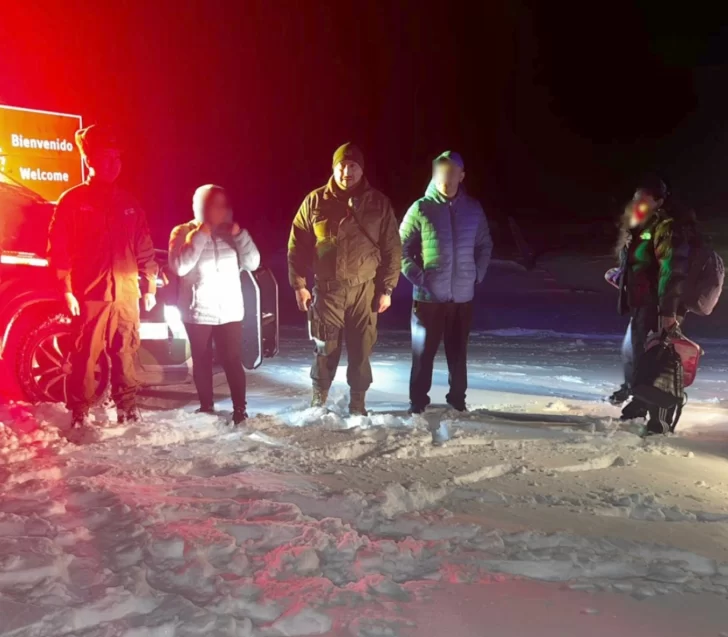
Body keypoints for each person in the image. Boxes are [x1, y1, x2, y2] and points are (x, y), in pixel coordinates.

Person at [47, 125, 158, 439]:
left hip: (126, 294)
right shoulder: (73, 200)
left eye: (116, 158)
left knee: (126, 351)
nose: (113, 163)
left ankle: (128, 408)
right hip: (91, 293)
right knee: (85, 355)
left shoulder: (129, 203)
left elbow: (145, 246)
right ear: (89, 160)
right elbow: (60, 248)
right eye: (105, 157)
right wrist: (65, 289)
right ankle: (80, 412)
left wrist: (149, 285)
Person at [288, 143, 402, 415]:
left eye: (352, 166)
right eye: (341, 165)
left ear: (361, 170)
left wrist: (387, 288)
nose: (346, 171)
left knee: (361, 350)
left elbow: (392, 248)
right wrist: (299, 284)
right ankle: (319, 401)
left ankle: (358, 405)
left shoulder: (378, 203)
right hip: (327, 291)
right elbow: (297, 245)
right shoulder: (315, 201)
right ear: (333, 167)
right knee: (324, 348)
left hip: (365, 290)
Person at [399, 151, 493, 414]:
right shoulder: (421, 208)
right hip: (428, 298)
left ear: (462, 176)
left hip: (462, 297)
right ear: (434, 174)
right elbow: (399, 248)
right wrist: (420, 278)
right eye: (441, 172)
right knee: (423, 355)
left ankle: (457, 400)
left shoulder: (473, 209)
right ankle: (417, 402)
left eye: (452, 172)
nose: (447, 178)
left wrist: (477, 274)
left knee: (458, 353)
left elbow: (485, 244)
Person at [168, 185, 260, 424]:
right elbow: (179, 267)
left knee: (232, 358)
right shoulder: (182, 231)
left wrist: (241, 235)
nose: (217, 210)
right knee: (201, 359)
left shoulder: (233, 232)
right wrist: (200, 234)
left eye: (221, 205)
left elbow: (253, 263)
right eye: (211, 205)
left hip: (229, 310)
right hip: (196, 310)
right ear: (200, 207)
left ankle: (240, 409)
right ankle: (206, 406)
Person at [610, 176, 691, 420]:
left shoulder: (667, 227)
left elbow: (672, 270)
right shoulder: (641, 224)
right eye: (636, 197)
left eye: (644, 198)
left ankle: (653, 411)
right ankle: (639, 397)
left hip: (656, 304)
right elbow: (639, 262)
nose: (638, 202)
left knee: (652, 356)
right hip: (641, 301)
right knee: (633, 351)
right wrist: (621, 275)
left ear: (658, 201)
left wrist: (668, 311)